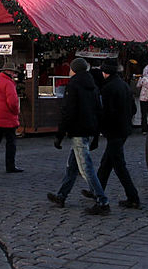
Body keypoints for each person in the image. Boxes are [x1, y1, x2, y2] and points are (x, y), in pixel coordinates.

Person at [46, 57, 110, 215]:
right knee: (72, 166)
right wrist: (96, 135)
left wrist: (60, 134)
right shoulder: (93, 86)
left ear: (74, 70)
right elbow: (99, 111)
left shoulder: (73, 86)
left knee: (86, 168)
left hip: (78, 131)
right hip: (88, 130)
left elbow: (67, 112)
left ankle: (102, 201)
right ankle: (62, 195)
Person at [82, 59, 141, 209]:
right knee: (106, 163)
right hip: (123, 129)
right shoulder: (124, 85)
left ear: (105, 72)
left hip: (114, 130)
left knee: (119, 165)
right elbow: (133, 109)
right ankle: (97, 190)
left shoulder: (108, 88)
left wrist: (100, 128)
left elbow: (105, 112)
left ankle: (133, 197)